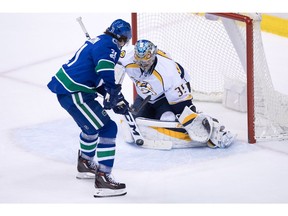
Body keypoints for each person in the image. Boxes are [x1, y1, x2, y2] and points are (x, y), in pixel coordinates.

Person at [47, 19, 131, 197]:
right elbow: (105, 71)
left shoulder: (101, 40)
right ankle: (103, 178)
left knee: (92, 127)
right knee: (108, 128)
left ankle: (84, 163)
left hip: (70, 89)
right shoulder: (111, 45)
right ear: (122, 37)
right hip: (75, 92)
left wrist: (114, 95)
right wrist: (113, 91)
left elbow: (95, 76)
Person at [119, 39, 235, 149]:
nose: (142, 66)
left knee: (168, 119)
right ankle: (153, 115)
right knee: (134, 121)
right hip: (145, 97)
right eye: (139, 62)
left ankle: (215, 131)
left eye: (145, 63)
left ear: (153, 57)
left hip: (164, 98)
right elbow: (111, 64)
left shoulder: (168, 73)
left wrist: (193, 120)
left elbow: (182, 106)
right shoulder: (127, 56)